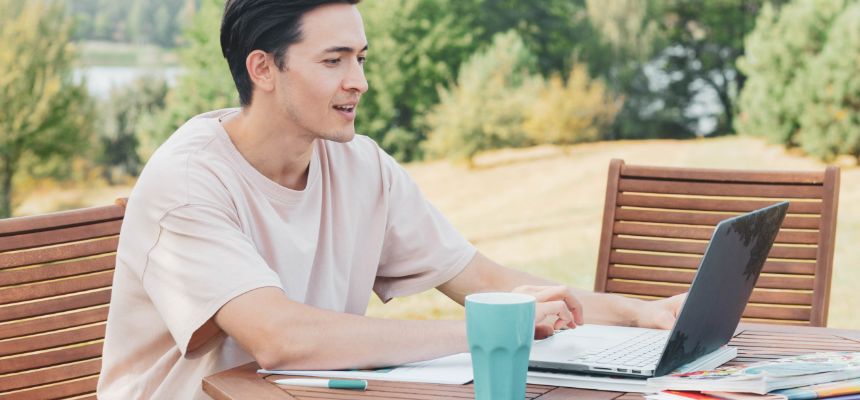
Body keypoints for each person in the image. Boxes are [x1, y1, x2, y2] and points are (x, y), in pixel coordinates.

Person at [96, 1, 684, 398]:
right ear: (263, 69)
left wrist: (643, 312)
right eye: (334, 61)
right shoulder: (189, 182)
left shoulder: (359, 164)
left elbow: (480, 277)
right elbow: (281, 338)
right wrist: (495, 330)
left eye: (360, 58)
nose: (360, 81)